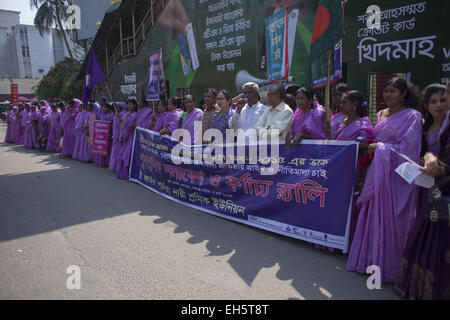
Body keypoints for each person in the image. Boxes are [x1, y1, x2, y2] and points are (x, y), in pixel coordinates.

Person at [346, 78, 423, 284]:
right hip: (377, 172)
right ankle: (370, 261)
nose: (388, 94)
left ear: (403, 94)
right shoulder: (381, 114)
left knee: (394, 218)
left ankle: (391, 268)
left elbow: (410, 150)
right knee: (373, 213)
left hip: (396, 176)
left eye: (393, 91)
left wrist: (379, 148)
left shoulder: (413, 116)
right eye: (386, 91)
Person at [394, 83, 450, 300]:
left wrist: (442, 168)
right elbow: (423, 152)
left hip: (445, 188)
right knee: (426, 234)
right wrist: (425, 159)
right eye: (434, 101)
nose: (439, 104)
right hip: (428, 188)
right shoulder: (425, 128)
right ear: (426, 106)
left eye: (443, 100)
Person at [116, 99, 138, 179]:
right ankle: (122, 172)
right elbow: (123, 125)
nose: (129, 106)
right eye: (128, 104)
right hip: (125, 136)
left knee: (127, 154)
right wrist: (120, 119)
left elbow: (133, 126)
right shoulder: (126, 114)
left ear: (135, 105)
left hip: (131, 137)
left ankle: (129, 172)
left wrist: (128, 125)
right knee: (122, 154)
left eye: (131, 104)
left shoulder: (136, 115)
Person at [109, 102, 127, 172]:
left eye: (119, 107)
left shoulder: (124, 114)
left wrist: (121, 135)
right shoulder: (116, 115)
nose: (117, 108)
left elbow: (123, 126)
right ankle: (114, 166)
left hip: (120, 137)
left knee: (119, 153)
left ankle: (118, 167)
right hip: (115, 137)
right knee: (114, 152)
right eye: (117, 107)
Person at [95, 103, 115, 167]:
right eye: (103, 107)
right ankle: (101, 162)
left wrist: (111, 133)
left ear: (109, 108)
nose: (103, 109)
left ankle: (108, 162)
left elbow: (112, 124)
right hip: (102, 134)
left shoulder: (112, 115)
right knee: (102, 147)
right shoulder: (101, 115)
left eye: (105, 108)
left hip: (109, 133)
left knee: (108, 148)